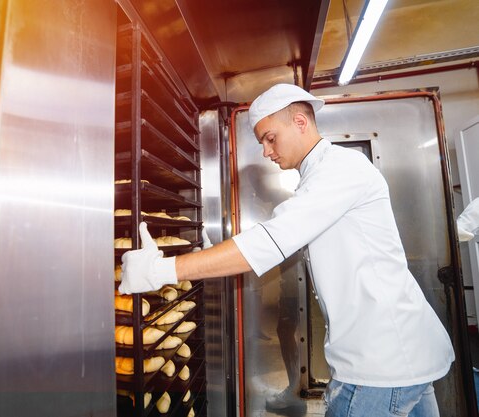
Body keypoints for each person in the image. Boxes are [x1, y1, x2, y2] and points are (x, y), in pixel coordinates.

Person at [119, 83, 455, 416]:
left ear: (300, 122)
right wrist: (215, 254)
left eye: (269, 138)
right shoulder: (322, 175)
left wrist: (161, 270)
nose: (266, 151)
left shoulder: (340, 169)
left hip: (381, 364)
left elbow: (269, 241)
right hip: (401, 355)